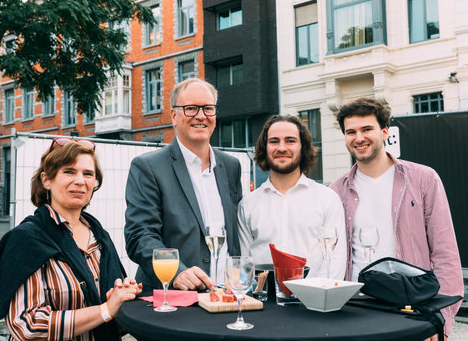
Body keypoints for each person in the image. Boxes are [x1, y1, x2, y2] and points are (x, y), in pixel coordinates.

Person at [330, 97, 463, 339]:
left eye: (366, 129)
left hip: (411, 310)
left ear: (384, 132)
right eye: (351, 132)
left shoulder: (423, 179)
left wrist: (440, 319)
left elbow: (445, 254)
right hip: (353, 310)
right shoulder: (336, 190)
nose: (358, 138)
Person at [0, 137, 142, 341]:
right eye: (69, 171)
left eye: (88, 174)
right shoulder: (25, 240)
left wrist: (124, 299)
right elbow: (27, 326)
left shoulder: (99, 236)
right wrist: (105, 310)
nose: (80, 181)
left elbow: (116, 316)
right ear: (46, 180)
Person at [125, 78, 242, 291]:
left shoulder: (231, 167)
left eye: (208, 108)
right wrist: (177, 272)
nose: (200, 116)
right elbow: (140, 236)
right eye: (190, 109)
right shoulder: (148, 167)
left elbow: (234, 237)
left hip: (223, 297)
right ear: (174, 116)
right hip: (170, 297)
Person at [238, 115, 346, 278]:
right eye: (274, 141)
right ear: (264, 147)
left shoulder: (327, 199)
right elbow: (244, 266)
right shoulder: (248, 204)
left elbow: (335, 262)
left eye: (290, 141)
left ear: (303, 147)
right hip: (264, 301)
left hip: (313, 299)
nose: (281, 148)